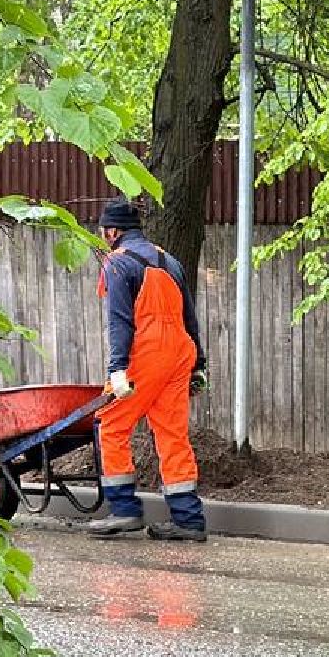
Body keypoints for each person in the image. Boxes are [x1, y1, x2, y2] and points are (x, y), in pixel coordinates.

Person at [86, 198, 210, 541]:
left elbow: (120, 322)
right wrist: (198, 363)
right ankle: (188, 518)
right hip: (180, 351)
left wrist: (117, 369)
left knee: (109, 423)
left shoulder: (117, 263)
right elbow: (189, 317)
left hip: (148, 351)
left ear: (112, 231)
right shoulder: (169, 260)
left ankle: (124, 510)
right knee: (171, 432)